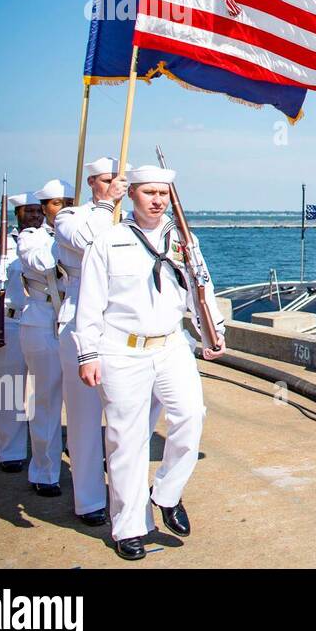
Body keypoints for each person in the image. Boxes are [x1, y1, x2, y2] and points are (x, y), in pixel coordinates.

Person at [73, 165, 226, 561]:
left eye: (163, 193)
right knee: (127, 440)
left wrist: (214, 331)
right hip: (122, 348)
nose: (157, 200)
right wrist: (87, 354)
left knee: (191, 416)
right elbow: (89, 304)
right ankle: (128, 527)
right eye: (148, 193)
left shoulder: (184, 240)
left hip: (172, 344)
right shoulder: (108, 241)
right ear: (132, 195)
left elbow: (200, 287)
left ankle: (167, 492)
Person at [43, 156, 129, 526]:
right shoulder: (71, 217)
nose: (116, 185)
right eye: (108, 180)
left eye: (119, 180)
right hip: (79, 319)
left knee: (128, 416)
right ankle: (89, 499)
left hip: (121, 321)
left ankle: (125, 492)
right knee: (84, 419)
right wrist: (108, 204)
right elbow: (90, 241)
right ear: (93, 182)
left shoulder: (128, 219)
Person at [0, 192, 42, 473]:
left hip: (42, 322)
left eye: (39, 211)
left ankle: (45, 450)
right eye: (29, 212)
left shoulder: (51, 243)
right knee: (10, 390)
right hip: (10, 324)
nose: (35, 217)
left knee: (48, 392)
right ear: (17, 214)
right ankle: (11, 452)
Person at [15, 179, 75, 496]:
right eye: (56, 203)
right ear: (43, 208)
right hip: (43, 319)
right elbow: (43, 263)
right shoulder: (31, 238)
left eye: (68, 202)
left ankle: (86, 470)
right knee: (47, 401)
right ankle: (45, 471)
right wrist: (69, 240)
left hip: (76, 320)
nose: (63, 208)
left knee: (85, 403)